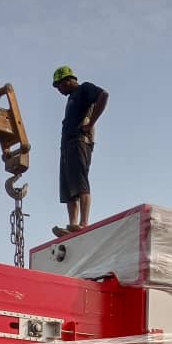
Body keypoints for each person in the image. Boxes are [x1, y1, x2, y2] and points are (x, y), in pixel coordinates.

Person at [52, 65, 108, 238]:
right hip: (67, 146)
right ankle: (73, 224)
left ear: (68, 80)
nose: (59, 90)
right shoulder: (71, 98)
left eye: (59, 85)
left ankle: (84, 223)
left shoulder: (84, 88)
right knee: (68, 186)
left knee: (80, 181)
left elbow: (103, 95)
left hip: (79, 142)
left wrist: (90, 124)